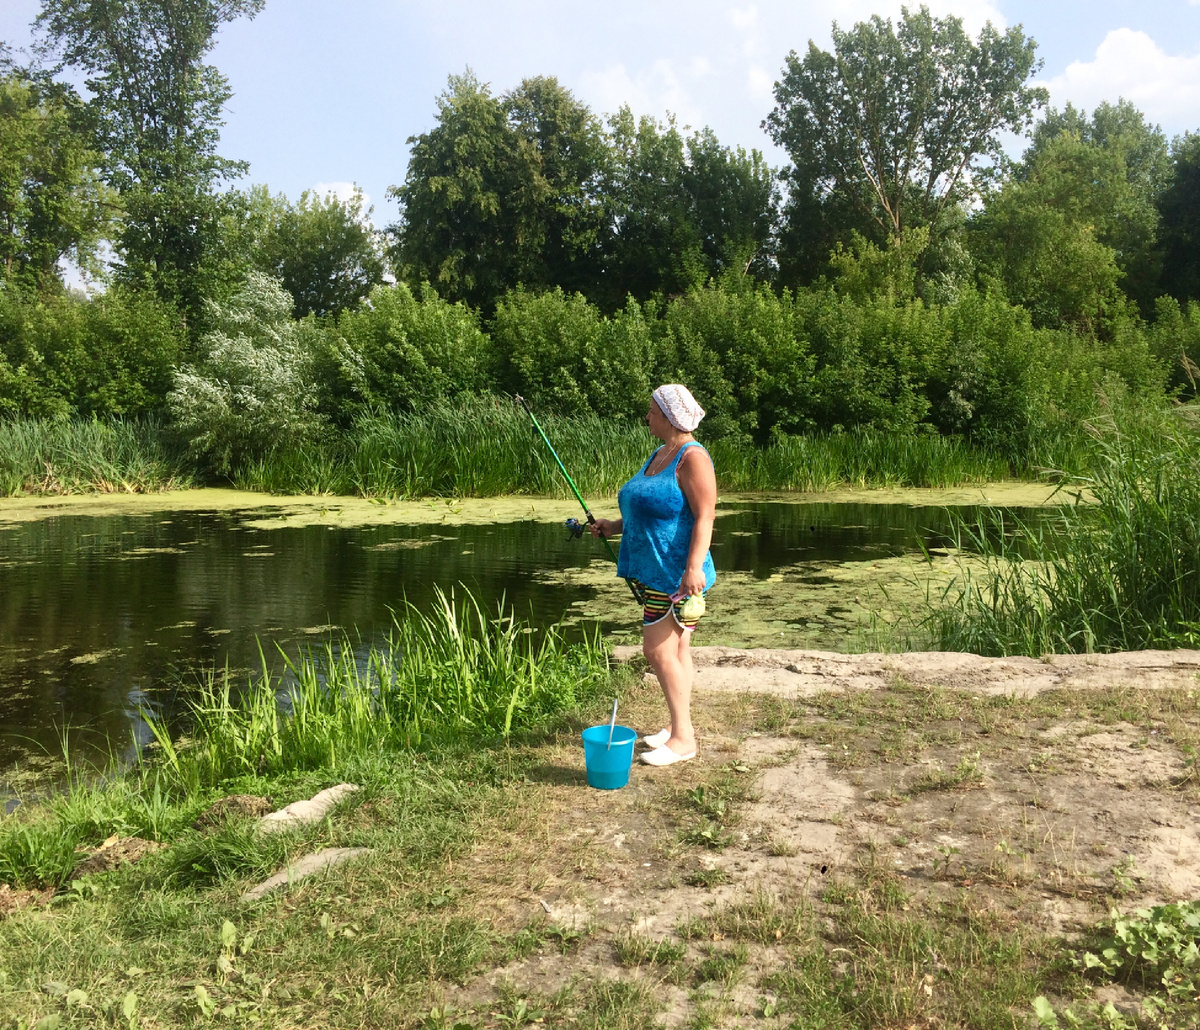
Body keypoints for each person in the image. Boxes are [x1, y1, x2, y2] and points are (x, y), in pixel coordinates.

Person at [590, 384, 716, 767]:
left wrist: (693, 568)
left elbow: (705, 515)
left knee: (657, 650)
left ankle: (683, 739)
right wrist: (614, 526)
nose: (647, 417)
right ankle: (677, 725)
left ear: (670, 416)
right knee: (677, 650)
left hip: (675, 575)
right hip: (652, 568)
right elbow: (651, 511)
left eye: (652, 411)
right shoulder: (661, 453)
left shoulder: (692, 457)